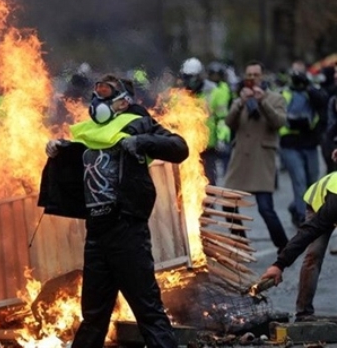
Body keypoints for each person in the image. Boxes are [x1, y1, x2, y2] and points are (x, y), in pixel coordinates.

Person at [38, 76, 189, 348]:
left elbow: (179, 148)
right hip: (96, 234)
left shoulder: (139, 123)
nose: (98, 102)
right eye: (97, 95)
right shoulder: (91, 132)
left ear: (122, 101)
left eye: (106, 95)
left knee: (148, 311)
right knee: (93, 316)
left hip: (126, 230)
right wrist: (60, 149)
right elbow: (87, 156)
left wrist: (142, 142)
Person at [222, 60, 289, 251]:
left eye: (255, 75)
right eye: (249, 75)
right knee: (228, 203)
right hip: (241, 158)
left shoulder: (275, 98)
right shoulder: (239, 99)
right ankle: (240, 244)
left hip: (261, 159)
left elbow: (279, 122)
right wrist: (240, 104)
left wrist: (263, 102)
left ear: (262, 76)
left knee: (265, 208)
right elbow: (229, 123)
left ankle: (283, 245)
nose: (252, 79)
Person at [261, 168, 337, 321]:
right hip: (319, 205)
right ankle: (304, 312)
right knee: (313, 255)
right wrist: (279, 264)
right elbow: (309, 231)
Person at [279, 69, 328, 227]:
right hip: (290, 144)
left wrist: (308, 87)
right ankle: (304, 218)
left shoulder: (312, 92)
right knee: (299, 181)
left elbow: (323, 101)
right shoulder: (284, 93)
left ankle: (295, 207)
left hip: (310, 143)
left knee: (312, 182)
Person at [178, 57, 228, 186]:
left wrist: (221, 138)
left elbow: (221, 118)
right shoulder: (179, 95)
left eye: (192, 77)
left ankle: (209, 205)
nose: (189, 81)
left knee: (209, 181)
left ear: (200, 76)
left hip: (208, 146)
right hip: (186, 147)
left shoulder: (213, 92)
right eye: (186, 77)